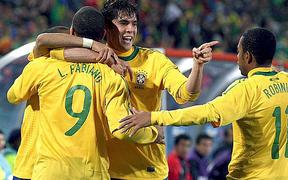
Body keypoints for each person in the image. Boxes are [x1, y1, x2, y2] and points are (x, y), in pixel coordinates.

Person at [32, 1, 217, 179]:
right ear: (107, 29)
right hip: (107, 170)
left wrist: (198, 67)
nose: (130, 29)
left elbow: (186, 94)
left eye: (134, 24)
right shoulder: (93, 59)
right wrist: (94, 46)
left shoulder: (154, 60)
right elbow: (45, 44)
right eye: (123, 23)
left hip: (147, 169)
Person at [119, 27, 288, 179]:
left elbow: (204, 113)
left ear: (248, 57)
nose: (236, 58)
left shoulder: (247, 89)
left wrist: (152, 116)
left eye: (239, 52)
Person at [7, 6, 161, 180]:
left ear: (72, 33)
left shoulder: (42, 65)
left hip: (42, 168)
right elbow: (121, 129)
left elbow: (12, 96)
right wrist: (155, 133)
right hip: (92, 171)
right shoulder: (111, 75)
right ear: (104, 34)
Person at [11, 26, 70, 180]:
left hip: (30, 164)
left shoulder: (39, 67)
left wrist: (36, 60)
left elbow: (12, 96)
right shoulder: (84, 72)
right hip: (63, 167)